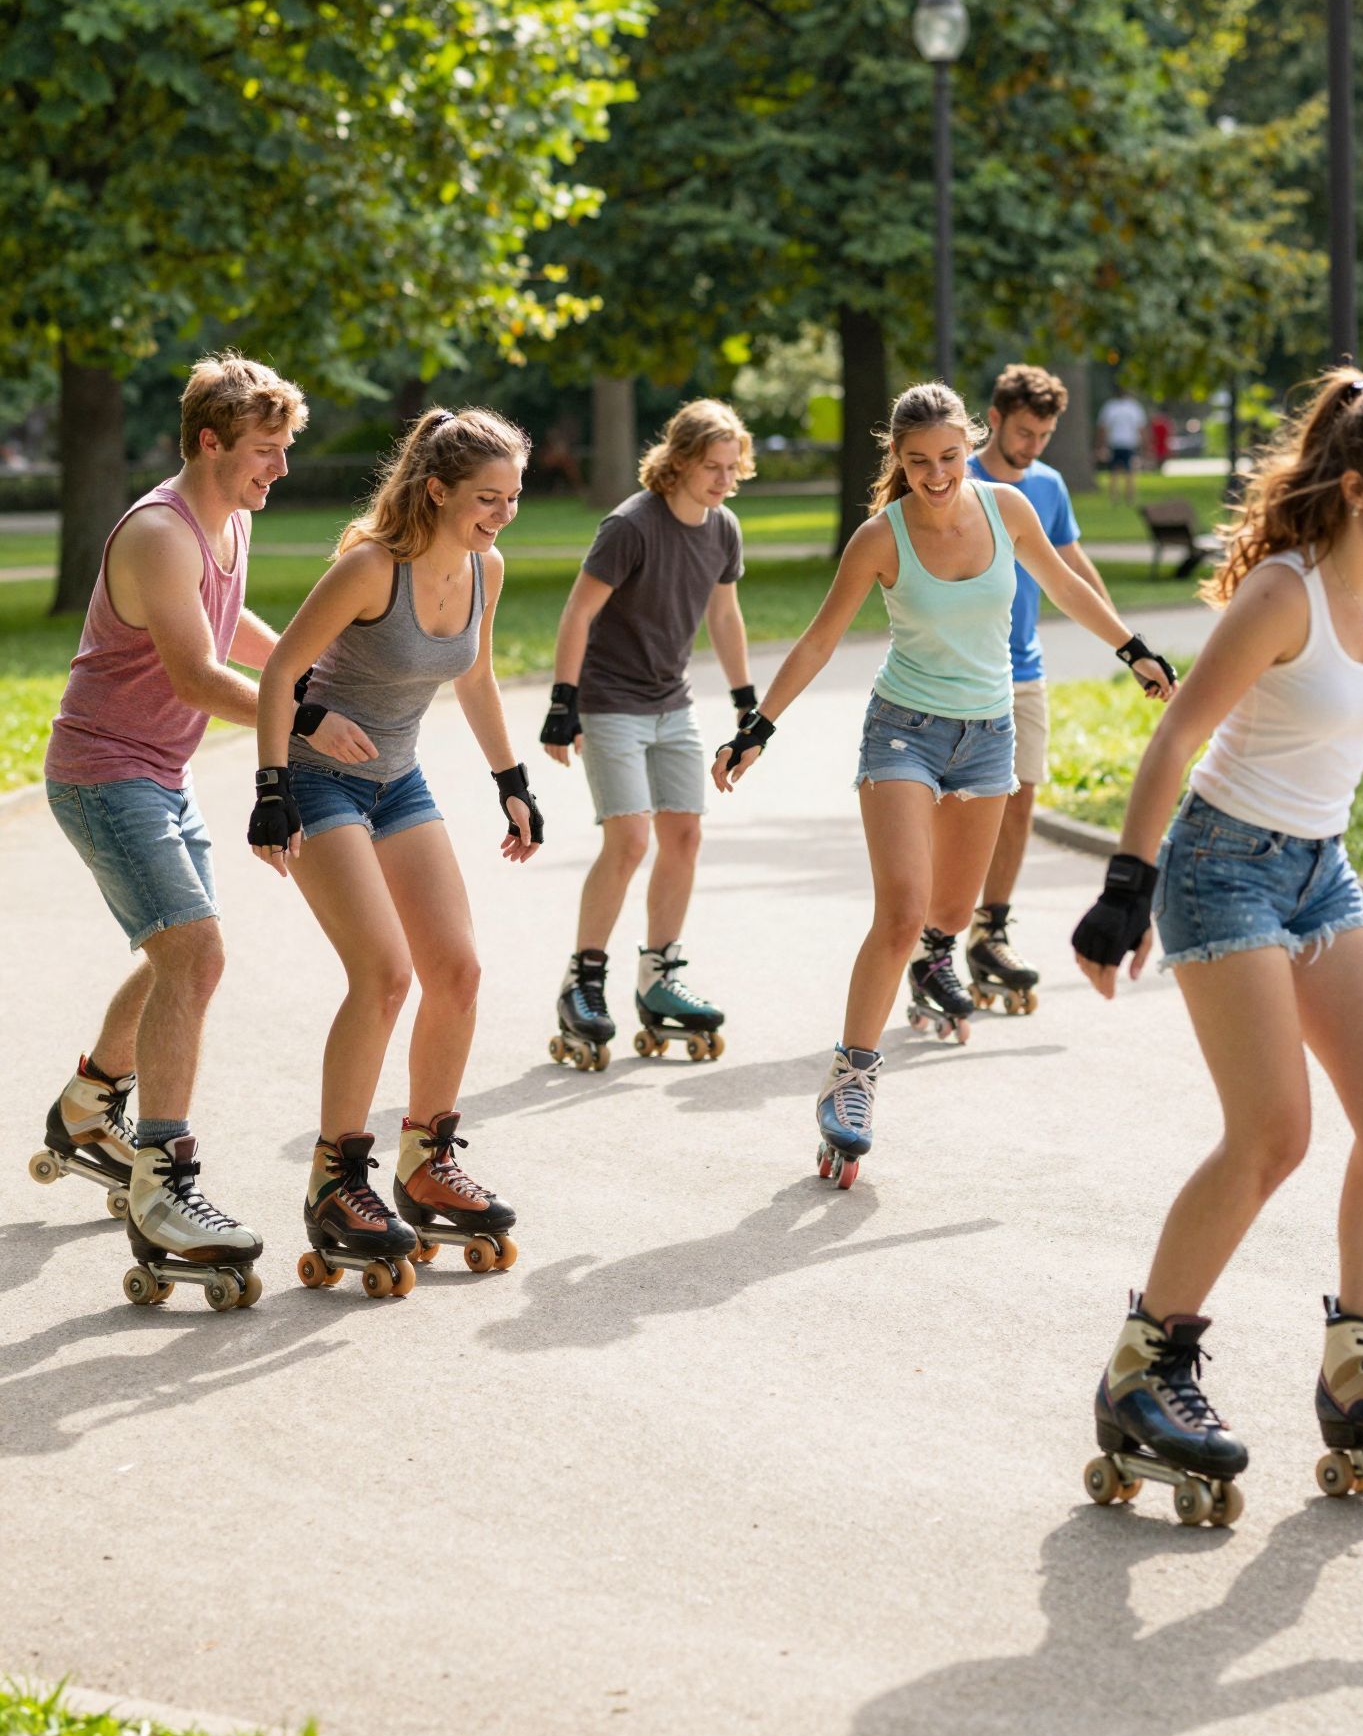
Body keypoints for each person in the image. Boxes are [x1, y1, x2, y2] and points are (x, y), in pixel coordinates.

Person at [1071, 370, 1363, 1526]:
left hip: (1319, 867)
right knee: (1272, 1132)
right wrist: (1126, 888)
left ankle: (1360, 1366)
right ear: (1361, 485)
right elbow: (1180, 728)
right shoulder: (1286, 591)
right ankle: (1144, 1369)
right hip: (1221, 865)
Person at [712, 380, 1176, 1188]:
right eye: (918, 461)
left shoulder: (1010, 510)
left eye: (950, 458)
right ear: (897, 458)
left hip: (989, 738)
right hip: (903, 731)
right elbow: (821, 642)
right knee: (899, 910)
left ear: (971, 444)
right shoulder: (879, 538)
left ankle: (939, 954)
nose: (936, 475)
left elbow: (1065, 585)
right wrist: (758, 727)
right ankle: (853, 1078)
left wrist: (1132, 647)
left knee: (952, 914)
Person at [40, 352, 313, 1309]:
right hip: (104, 772)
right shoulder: (161, 532)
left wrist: (310, 670)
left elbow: (236, 631)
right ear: (210, 441)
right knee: (194, 954)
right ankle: (162, 1185)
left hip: (160, 770)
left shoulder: (226, 521)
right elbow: (199, 676)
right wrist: (302, 719)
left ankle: (86, 1110)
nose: (278, 469)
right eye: (265, 452)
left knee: (178, 957)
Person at [249, 406, 539, 1297]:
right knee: (383, 974)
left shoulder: (485, 568)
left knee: (456, 969)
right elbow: (275, 674)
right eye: (488, 498)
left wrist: (511, 778)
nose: (503, 513)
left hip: (398, 780)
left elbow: (479, 677)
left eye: (514, 497)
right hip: (319, 779)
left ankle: (425, 1161)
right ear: (438, 488)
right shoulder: (370, 568)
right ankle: (336, 1184)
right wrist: (270, 791)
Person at [540, 399, 757, 1072]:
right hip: (610, 703)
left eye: (732, 468)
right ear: (680, 460)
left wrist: (747, 704)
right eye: (711, 467)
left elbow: (724, 617)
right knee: (630, 839)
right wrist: (562, 703)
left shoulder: (722, 529)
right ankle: (584, 980)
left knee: (685, 835)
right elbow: (578, 612)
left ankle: (659, 973)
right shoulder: (630, 526)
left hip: (673, 703)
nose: (723, 480)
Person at [965, 363, 1150, 1011]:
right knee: (959, 810)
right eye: (1023, 432)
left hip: (1023, 669)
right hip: (960, 673)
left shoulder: (1047, 485)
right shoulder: (956, 479)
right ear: (993, 419)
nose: (1033, 446)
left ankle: (990, 929)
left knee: (1021, 800)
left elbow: (1072, 565)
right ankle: (934, 935)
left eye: (1043, 434)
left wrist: (1130, 647)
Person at [1097, 384, 1147, 505]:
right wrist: (1144, 444)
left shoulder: (1110, 407)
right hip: (1129, 443)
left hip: (1115, 442)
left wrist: (1101, 444)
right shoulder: (1134, 407)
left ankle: (1114, 498)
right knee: (1130, 472)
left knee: (1114, 471)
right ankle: (1130, 498)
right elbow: (1140, 428)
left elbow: (1103, 428)